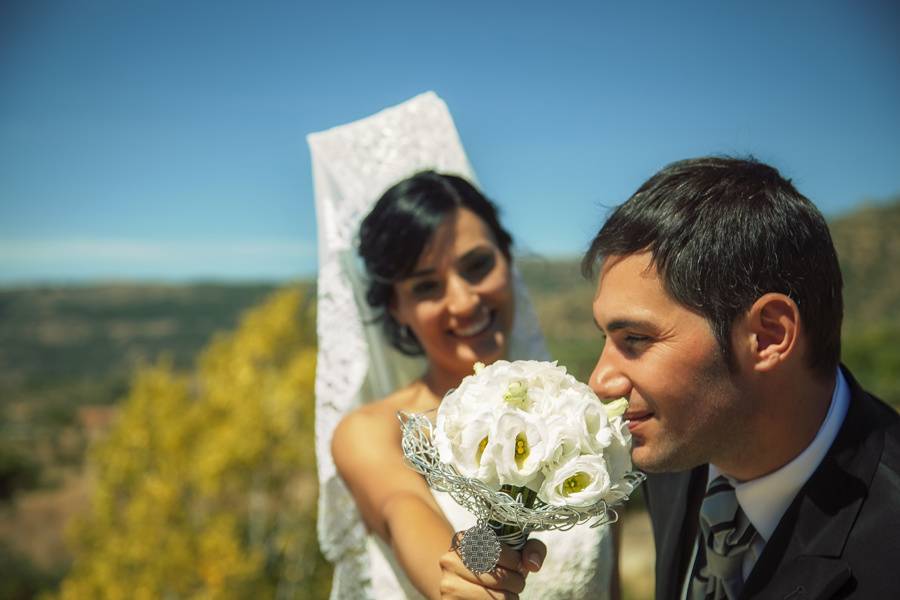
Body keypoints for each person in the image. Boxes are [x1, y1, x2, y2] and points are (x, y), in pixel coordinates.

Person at [581, 156, 900, 599]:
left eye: (635, 338)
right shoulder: (673, 453)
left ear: (768, 336)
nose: (599, 380)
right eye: (605, 338)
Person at [329, 170, 616, 599]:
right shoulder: (374, 433)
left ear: (507, 259)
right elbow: (406, 512)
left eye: (478, 265)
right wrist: (478, 566)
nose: (464, 302)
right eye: (427, 286)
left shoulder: (581, 419)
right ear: (397, 308)